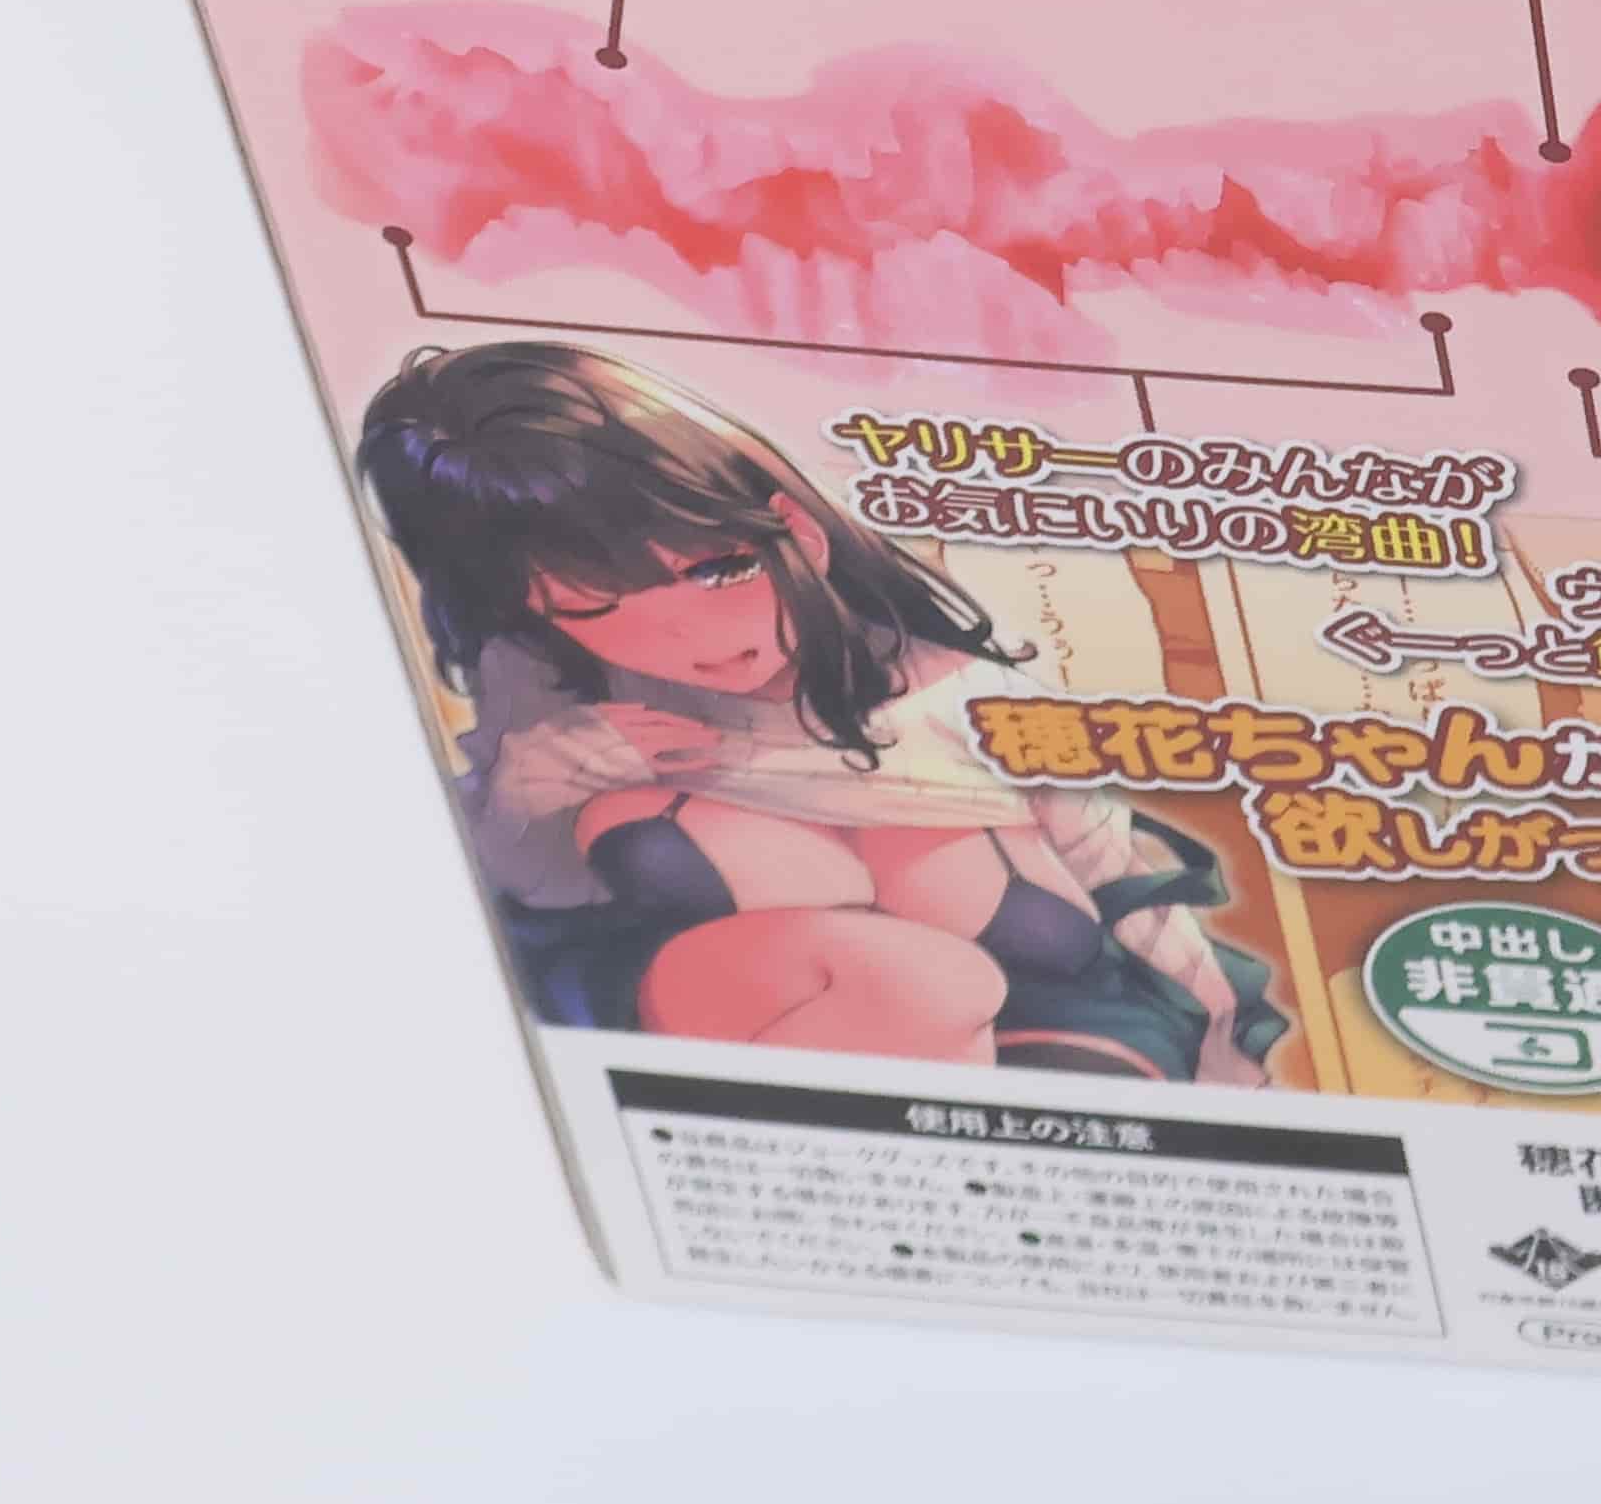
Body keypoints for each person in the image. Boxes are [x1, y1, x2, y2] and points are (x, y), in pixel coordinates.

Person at [353, 339, 1281, 1078]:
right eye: (594, 606)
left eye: (720, 569)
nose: (699, 640)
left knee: (967, 973)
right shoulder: (548, 687)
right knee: (927, 976)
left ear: (795, 528)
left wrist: (1233, 1077)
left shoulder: (964, 702)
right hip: (722, 1047)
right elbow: (492, 897)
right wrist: (524, 798)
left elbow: (1131, 894)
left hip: (1057, 1047)